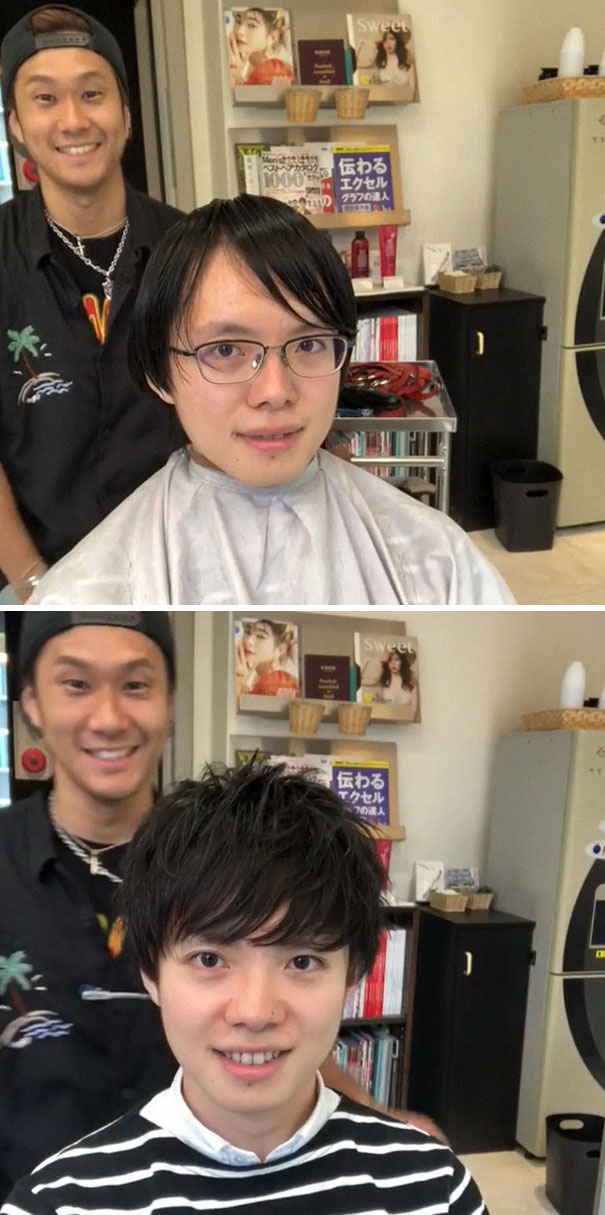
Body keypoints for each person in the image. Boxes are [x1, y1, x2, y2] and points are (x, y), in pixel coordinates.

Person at [0, 610, 443, 1204]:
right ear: (31, 702)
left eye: (136, 685)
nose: (108, 717)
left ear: (169, 702)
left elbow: (280, 1026)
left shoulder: (224, 854)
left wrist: (376, 1130)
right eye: (76, 684)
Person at [2, 760, 487, 1215]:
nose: (254, 1012)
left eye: (302, 961)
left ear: (353, 974)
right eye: (209, 959)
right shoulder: (58, 1203)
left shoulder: (435, 1189)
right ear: (150, 972)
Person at [29, 194, 515, 606]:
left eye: (309, 344)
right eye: (225, 350)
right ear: (160, 372)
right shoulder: (87, 595)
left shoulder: (437, 560)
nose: (275, 392)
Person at [0, 5, 185, 602]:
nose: (74, 120)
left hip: (178, 565)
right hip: (34, 573)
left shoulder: (193, 250)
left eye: (92, 93)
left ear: (125, 114)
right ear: (16, 125)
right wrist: (35, 585)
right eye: (45, 99)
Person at [228, 7, 294, 87]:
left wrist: (233, 76)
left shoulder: (272, 72)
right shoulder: (251, 66)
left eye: (252, 25)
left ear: (273, 37)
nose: (239, 31)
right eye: (238, 21)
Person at [235, 618, 300, 696]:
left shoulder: (275, 684)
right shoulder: (258, 677)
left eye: (260, 636)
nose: (248, 641)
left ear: (280, 649)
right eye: (248, 632)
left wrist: (238, 687)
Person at [373, 25, 417, 92]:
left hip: (404, 97)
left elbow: (412, 90)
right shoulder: (379, 64)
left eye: (392, 39)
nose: (388, 43)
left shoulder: (407, 62)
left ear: (398, 41)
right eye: (385, 40)